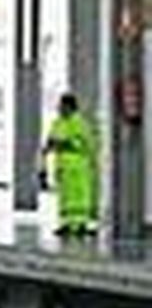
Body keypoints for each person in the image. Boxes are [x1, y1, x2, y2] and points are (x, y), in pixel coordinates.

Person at [41, 93, 98, 238]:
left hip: (78, 166)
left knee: (79, 196)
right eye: (59, 106)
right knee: (64, 196)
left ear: (70, 107)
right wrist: (48, 148)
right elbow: (51, 139)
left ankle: (81, 224)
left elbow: (87, 144)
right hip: (63, 165)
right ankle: (66, 224)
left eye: (62, 106)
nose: (60, 108)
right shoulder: (57, 122)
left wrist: (66, 143)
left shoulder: (79, 123)